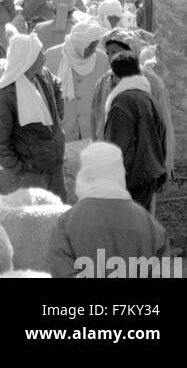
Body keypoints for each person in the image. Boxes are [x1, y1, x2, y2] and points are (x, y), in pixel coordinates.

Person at [49, 142, 169, 278]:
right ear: (119, 172)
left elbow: (61, 272)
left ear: (85, 174)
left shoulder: (66, 224)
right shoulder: (152, 227)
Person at [0, 33, 66, 199]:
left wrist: (57, 117)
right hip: (30, 175)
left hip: (54, 167)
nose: (44, 59)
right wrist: (18, 170)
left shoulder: (44, 76)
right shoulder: (4, 95)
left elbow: (58, 86)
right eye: (40, 55)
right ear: (28, 59)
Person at [91, 30, 174, 173]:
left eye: (116, 52)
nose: (111, 58)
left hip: (143, 165)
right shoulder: (104, 82)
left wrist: (166, 164)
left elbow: (164, 125)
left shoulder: (152, 84)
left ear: (132, 53)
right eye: (108, 53)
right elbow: (96, 118)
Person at [103, 52, 168, 211]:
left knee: (124, 231)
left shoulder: (122, 102)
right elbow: (162, 136)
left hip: (130, 181)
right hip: (149, 177)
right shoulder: (149, 97)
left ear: (116, 77)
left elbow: (118, 147)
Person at [44, 18, 108, 140]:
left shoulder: (102, 60)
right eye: (90, 46)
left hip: (92, 133)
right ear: (80, 44)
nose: (93, 50)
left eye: (95, 45)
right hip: (62, 133)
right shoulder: (51, 57)